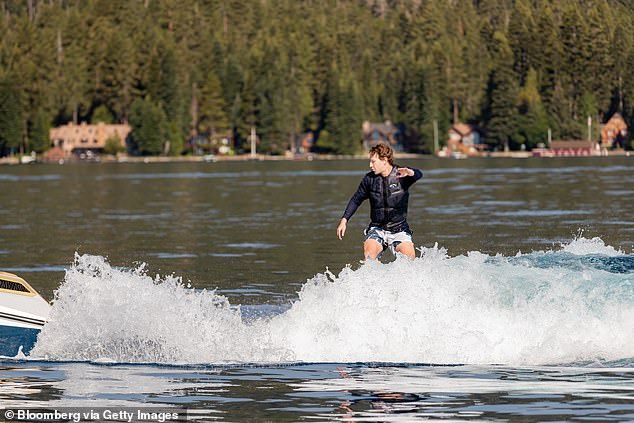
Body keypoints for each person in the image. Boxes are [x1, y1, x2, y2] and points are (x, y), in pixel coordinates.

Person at [337, 143, 423, 260]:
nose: (370, 165)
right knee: (369, 255)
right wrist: (344, 220)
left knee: (410, 258)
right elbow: (356, 200)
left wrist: (411, 173)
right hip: (377, 228)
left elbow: (419, 174)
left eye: (373, 162)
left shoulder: (401, 174)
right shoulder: (369, 179)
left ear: (384, 160)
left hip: (399, 229)